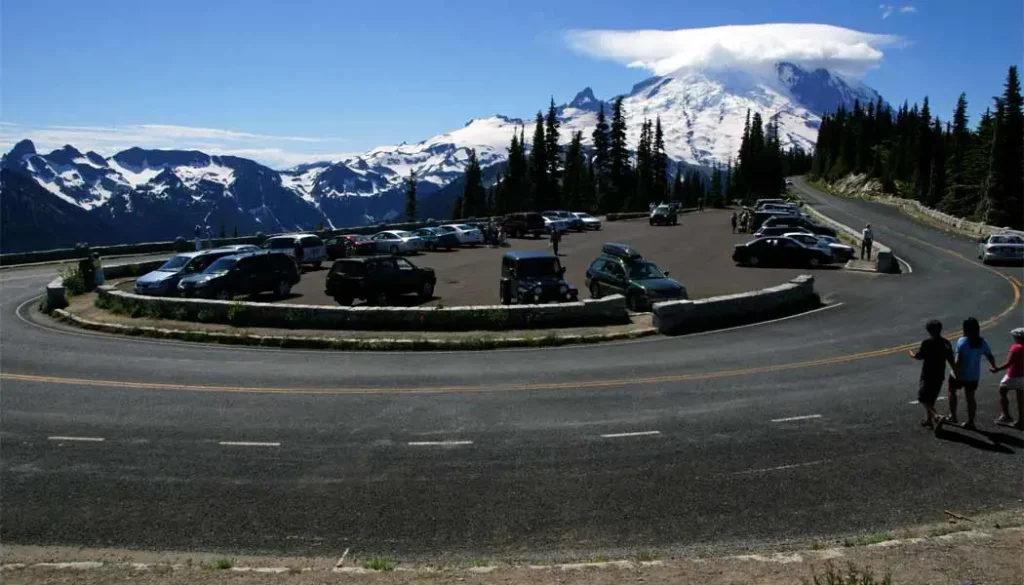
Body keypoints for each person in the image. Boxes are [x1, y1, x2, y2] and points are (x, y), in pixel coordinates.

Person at [947, 317, 997, 430]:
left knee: (952, 392)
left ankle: (953, 416)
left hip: (959, 374)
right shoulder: (982, 342)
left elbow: (959, 361)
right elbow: (989, 355)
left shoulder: (962, 341)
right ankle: (971, 421)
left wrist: (955, 370)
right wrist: (994, 366)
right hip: (973, 375)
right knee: (970, 397)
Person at [908, 319, 954, 430]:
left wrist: (912, 355)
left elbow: (920, 356)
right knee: (931, 397)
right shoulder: (946, 343)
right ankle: (929, 420)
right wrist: (957, 373)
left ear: (928, 331)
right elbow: (951, 360)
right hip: (939, 374)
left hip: (928, 374)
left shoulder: (927, 343)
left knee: (923, 397)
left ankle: (937, 416)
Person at [990, 327, 1024, 429]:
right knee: (1021, 398)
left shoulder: (1016, 348)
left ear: (1018, 337)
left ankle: (1006, 416)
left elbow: (1009, 363)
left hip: (1013, 375)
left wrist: (996, 369)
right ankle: (1021, 421)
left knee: (1002, 391)